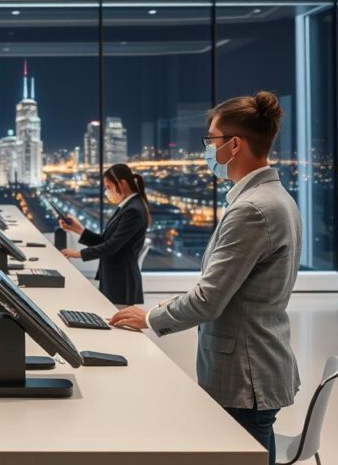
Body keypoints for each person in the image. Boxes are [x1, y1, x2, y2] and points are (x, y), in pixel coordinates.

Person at [109, 91, 301, 465]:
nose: (207, 150)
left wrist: (150, 319)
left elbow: (210, 299)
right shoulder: (275, 197)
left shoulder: (252, 209)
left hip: (245, 374)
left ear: (234, 145)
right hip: (256, 361)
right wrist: (167, 306)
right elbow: (229, 285)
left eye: (210, 141)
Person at [58, 163, 150, 305]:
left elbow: (112, 246)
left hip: (121, 281)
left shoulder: (134, 210)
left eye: (108, 187)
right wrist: (78, 229)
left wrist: (78, 254)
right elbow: (105, 240)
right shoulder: (126, 207)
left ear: (122, 184)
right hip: (113, 278)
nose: (106, 192)